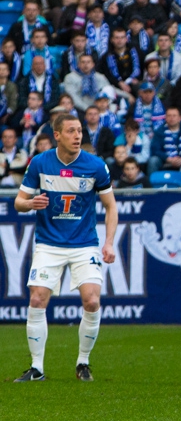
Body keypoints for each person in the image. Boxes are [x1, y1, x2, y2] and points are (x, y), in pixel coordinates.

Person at [13, 113, 118, 383]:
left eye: (80, 131)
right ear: (57, 135)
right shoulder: (40, 162)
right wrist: (31, 203)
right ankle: (37, 368)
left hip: (84, 243)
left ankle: (83, 363)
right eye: (71, 131)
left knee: (92, 301)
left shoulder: (95, 166)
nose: (77, 136)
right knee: (37, 299)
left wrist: (108, 242)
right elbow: (19, 202)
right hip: (49, 243)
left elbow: (110, 206)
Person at [149, 106, 181, 175]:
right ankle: (151, 184)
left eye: (174, 116)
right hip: (166, 161)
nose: (171, 118)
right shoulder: (159, 131)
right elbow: (155, 150)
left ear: (180, 118)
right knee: (153, 160)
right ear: (165, 118)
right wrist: (168, 159)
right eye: (169, 116)